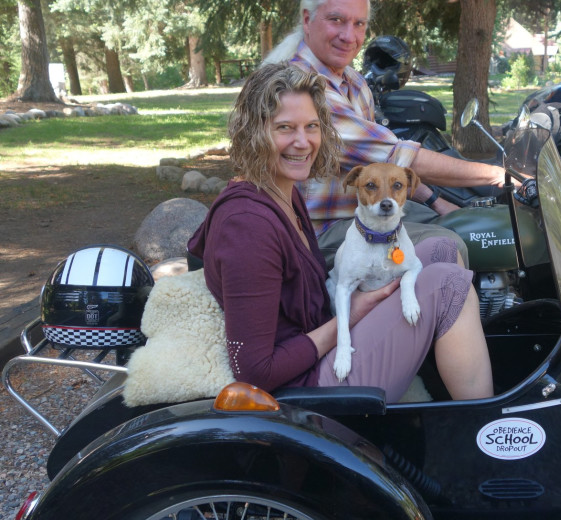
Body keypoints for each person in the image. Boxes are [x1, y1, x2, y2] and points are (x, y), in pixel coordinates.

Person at [187, 62, 493, 403]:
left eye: (312, 126)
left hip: (323, 331)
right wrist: (354, 313)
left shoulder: (282, 192)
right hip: (312, 383)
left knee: (441, 250)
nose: (303, 142)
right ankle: (484, 425)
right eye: (285, 128)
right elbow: (256, 371)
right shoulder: (246, 226)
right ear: (253, 132)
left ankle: (442, 380)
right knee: (450, 283)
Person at [263, 0, 508, 268]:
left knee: (465, 223)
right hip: (319, 231)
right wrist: (498, 174)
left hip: (367, 209)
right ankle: (442, 307)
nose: (348, 36)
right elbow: (401, 156)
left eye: (358, 24)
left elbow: (383, 166)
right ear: (308, 20)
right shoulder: (302, 84)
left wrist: (437, 202)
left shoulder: (354, 83)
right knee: (448, 245)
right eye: (336, 20)